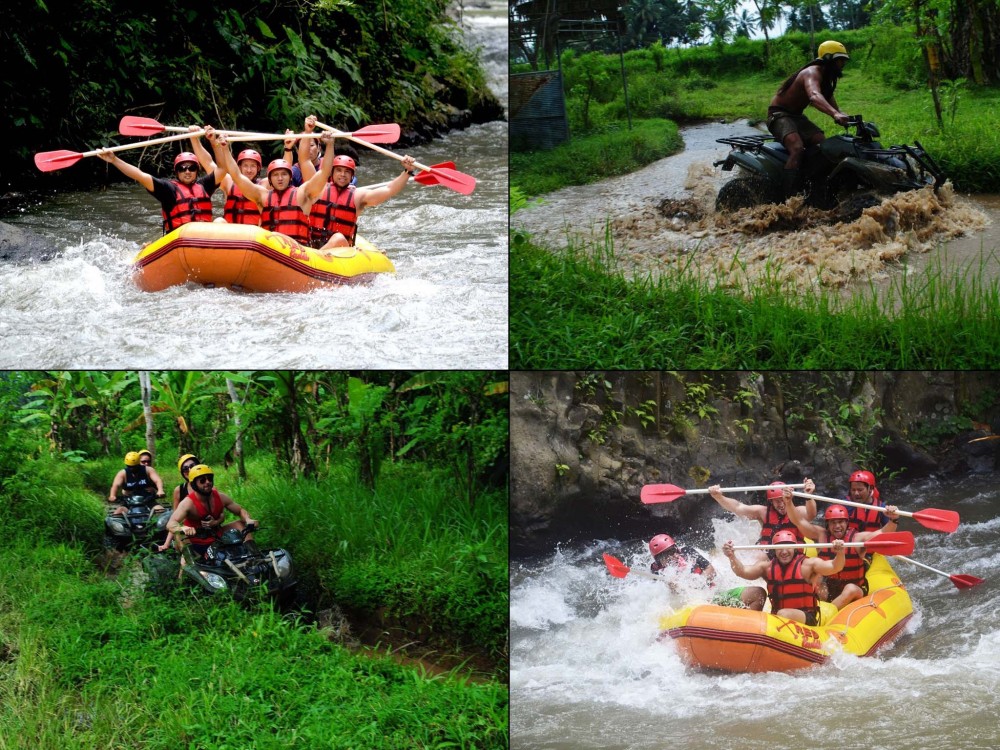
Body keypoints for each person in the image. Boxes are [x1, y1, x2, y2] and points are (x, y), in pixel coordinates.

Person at [297, 114, 417, 251]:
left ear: (352, 175)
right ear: (332, 172)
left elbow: (389, 189)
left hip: (339, 251)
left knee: (338, 238)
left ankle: (317, 258)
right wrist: (308, 132)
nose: (343, 174)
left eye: (347, 172)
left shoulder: (357, 196)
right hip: (311, 246)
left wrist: (407, 172)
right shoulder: (318, 189)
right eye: (339, 171)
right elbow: (304, 160)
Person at [209, 127, 336, 246]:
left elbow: (324, 173)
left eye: (284, 174)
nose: (280, 178)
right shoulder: (262, 196)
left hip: (298, 250)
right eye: (275, 175)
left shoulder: (302, 193)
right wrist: (225, 149)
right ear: (269, 179)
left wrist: (330, 145)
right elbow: (237, 176)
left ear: (290, 177)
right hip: (271, 250)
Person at [97, 127, 226, 234]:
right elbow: (140, 176)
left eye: (191, 168)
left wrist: (215, 143)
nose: (187, 171)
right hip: (179, 239)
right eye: (182, 168)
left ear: (197, 171)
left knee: (220, 221)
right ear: (176, 172)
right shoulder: (168, 189)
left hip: (204, 238)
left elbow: (222, 169)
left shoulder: (204, 186)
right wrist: (114, 160)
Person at [767, 40, 851, 198]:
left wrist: (840, 112)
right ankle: (787, 195)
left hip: (796, 116)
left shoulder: (826, 77)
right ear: (828, 59)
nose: (842, 64)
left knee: (822, 143)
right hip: (779, 115)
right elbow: (814, 96)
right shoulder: (812, 72)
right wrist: (834, 114)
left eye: (843, 60)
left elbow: (828, 97)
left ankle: (813, 183)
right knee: (797, 148)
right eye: (839, 60)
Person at [787, 503, 902, 609]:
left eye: (840, 522)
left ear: (847, 523)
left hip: (855, 590)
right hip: (831, 588)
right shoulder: (820, 536)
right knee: (816, 578)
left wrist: (893, 519)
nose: (837, 526)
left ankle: (827, 613)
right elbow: (798, 521)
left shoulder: (857, 539)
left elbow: (882, 534)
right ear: (827, 524)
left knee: (850, 589)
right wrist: (788, 501)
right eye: (833, 522)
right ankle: (816, 608)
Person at [722, 531, 846, 625]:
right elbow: (742, 571)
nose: (784, 551)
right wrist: (731, 556)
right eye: (780, 548)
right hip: (778, 620)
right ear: (774, 550)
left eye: (788, 547)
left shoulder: (808, 565)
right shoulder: (767, 568)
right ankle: (749, 630)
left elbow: (835, 567)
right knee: (758, 593)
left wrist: (840, 553)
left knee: (783, 613)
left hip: (806, 617)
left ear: (794, 548)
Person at [649, 534, 766, 610]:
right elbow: (664, 598)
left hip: (712, 596)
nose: (672, 556)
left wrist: (700, 581)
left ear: (676, 548)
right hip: (689, 608)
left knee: (757, 593)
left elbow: (711, 570)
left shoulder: (687, 552)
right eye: (665, 555)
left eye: (672, 551)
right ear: (657, 559)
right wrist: (674, 588)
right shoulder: (656, 571)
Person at [165, 464, 257, 560]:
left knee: (240, 524)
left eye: (209, 479)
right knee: (180, 538)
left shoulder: (221, 497)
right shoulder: (187, 503)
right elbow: (170, 523)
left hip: (217, 536)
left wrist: (248, 519)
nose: (207, 482)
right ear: (194, 484)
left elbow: (240, 510)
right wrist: (182, 528)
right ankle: (186, 567)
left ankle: (254, 555)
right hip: (195, 541)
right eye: (202, 480)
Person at [708, 479, 818, 553]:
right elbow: (738, 507)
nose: (781, 504)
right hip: (769, 553)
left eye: (782, 500)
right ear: (771, 502)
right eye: (777, 501)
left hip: (792, 553)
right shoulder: (763, 512)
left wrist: (809, 495)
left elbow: (811, 514)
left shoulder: (798, 511)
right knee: (758, 556)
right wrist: (719, 497)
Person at [156, 453, 200, 552]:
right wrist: (166, 544)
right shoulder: (179, 490)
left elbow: (219, 514)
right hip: (187, 532)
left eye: (192, 466)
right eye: (185, 469)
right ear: (182, 473)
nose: (189, 470)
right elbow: (174, 519)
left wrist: (214, 521)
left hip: (207, 530)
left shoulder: (208, 486)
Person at [108, 450, 165, 516]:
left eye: (135, 467)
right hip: (129, 502)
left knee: (161, 512)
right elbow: (115, 485)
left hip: (148, 500)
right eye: (130, 466)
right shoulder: (122, 473)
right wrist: (112, 495)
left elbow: (157, 480)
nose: (132, 469)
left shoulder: (148, 470)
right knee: (117, 514)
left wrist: (160, 490)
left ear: (138, 464)